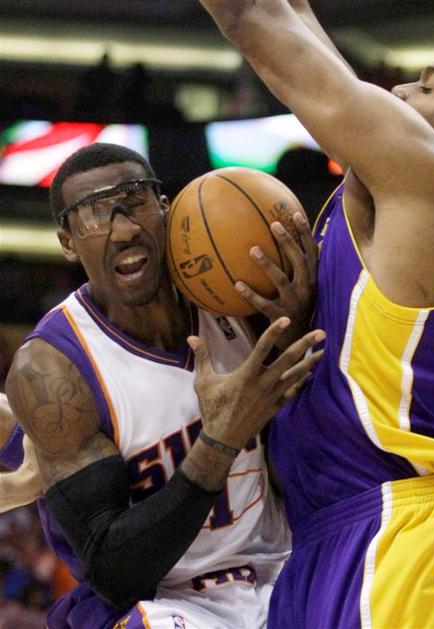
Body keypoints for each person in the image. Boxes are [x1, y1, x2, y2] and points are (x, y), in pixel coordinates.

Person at [197, 1, 434, 627]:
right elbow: (298, 21)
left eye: (428, 86)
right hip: (321, 539)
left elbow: (255, 16)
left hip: (399, 536)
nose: (400, 90)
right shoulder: (391, 192)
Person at [3, 142, 324, 628]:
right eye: (94, 215)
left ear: (165, 208)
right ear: (67, 241)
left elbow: (312, 457)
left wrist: (300, 326)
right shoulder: (52, 368)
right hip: (167, 601)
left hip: (285, 568)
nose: (124, 229)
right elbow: (113, 571)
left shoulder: (234, 291)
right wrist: (218, 441)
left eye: (135, 202)